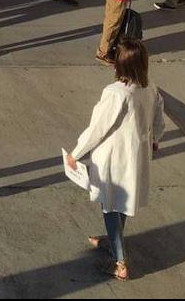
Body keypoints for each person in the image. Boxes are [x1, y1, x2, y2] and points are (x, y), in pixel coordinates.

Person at [65, 37, 165, 282]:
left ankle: (119, 261)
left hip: (114, 157)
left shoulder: (115, 92)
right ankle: (113, 240)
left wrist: (75, 154)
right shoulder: (150, 86)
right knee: (121, 203)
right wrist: (155, 139)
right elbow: (158, 118)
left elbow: (98, 128)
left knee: (109, 204)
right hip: (137, 155)